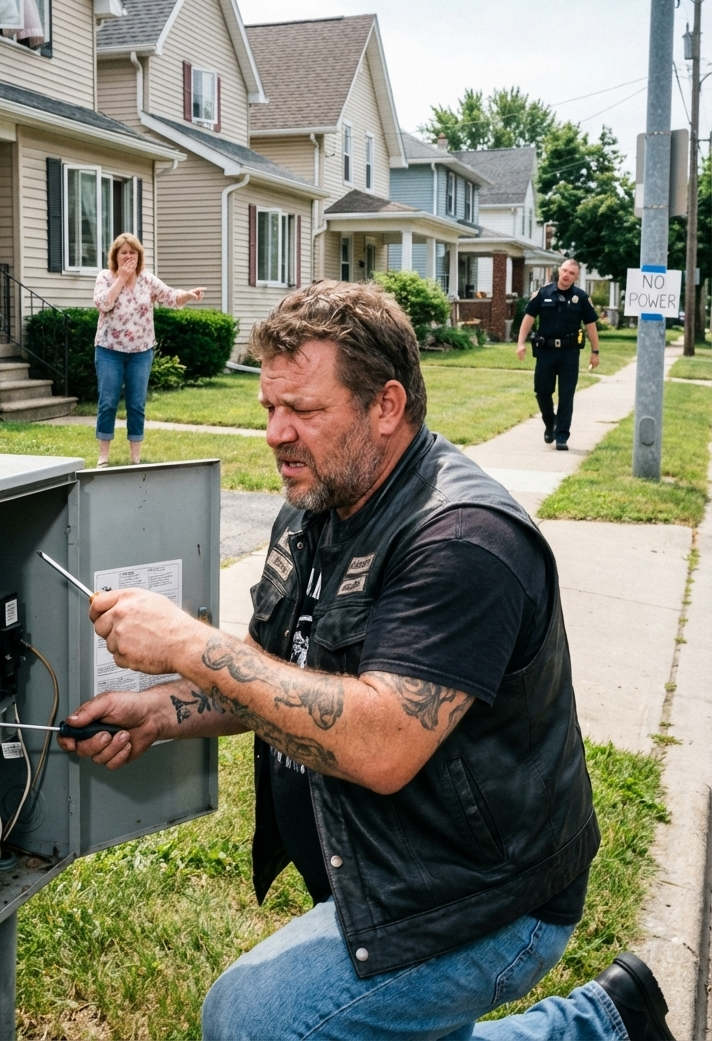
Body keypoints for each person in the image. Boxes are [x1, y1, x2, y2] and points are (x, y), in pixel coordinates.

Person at [60, 282, 674, 1041]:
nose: (276, 435)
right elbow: (274, 671)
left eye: (305, 412)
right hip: (398, 863)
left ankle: (591, 1028)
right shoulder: (318, 502)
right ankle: (608, 1024)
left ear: (386, 406)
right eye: (269, 411)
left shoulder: (461, 540)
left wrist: (190, 643)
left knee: (255, 1022)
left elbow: (380, 743)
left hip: (489, 891)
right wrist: (159, 710)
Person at [92, 233, 205, 467]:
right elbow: (103, 304)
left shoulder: (147, 280)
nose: (128, 256)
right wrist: (121, 279)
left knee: (136, 404)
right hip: (109, 349)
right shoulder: (105, 277)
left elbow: (171, 297)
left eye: (132, 252)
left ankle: (136, 457)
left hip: (141, 352)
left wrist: (188, 295)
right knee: (108, 402)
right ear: (115, 255)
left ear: (139, 255)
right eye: (123, 252)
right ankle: (103, 456)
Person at [516, 259, 600, 449]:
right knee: (542, 391)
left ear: (576, 276)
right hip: (546, 351)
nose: (567, 275)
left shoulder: (581, 298)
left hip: (569, 354)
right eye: (564, 271)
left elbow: (591, 326)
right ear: (559, 271)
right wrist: (521, 343)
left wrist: (595, 351)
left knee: (566, 395)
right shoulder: (543, 293)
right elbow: (528, 318)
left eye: (571, 273)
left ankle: (562, 436)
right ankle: (550, 423)